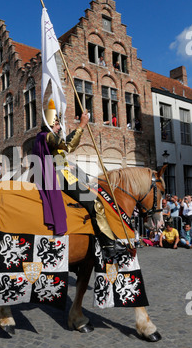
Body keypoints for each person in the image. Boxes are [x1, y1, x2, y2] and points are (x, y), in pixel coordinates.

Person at [32, 97, 127, 259]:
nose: (58, 127)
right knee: (96, 203)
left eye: (58, 124)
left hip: (67, 176)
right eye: (56, 124)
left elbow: (66, 145)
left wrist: (81, 127)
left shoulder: (49, 139)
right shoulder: (45, 136)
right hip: (60, 179)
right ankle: (108, 246)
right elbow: (63, 143)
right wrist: (81, 125)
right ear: (49, 125)